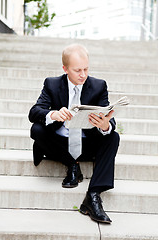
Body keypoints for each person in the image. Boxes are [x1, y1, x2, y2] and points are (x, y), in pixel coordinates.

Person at [28, 43, 120, 223]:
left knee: (113, 136)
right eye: (77, 70)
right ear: (65, 68)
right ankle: (72, 164)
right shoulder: (52, 84)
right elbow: (34, 112)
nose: (83, 75)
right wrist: (52, 114)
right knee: (37, 129)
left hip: (87, 143)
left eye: (86, 69)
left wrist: (104, 125)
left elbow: (111, 121)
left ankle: (93, 195)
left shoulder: (98, 86)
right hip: (60, 144)